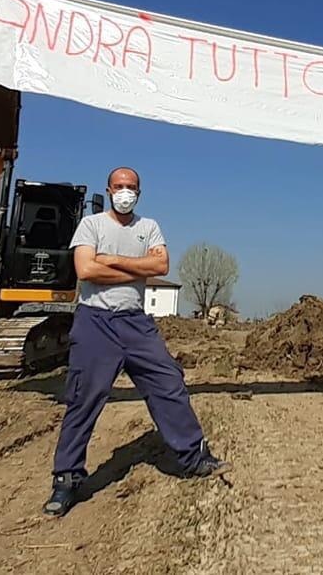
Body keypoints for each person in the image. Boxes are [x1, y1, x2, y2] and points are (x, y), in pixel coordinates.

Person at [43, 166, 230, 517]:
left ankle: (194, 457)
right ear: (109, 189)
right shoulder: (92, 225)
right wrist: (137, 266)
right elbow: (86, 270)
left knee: (169, 383)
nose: (124, 192)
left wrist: (111, 259)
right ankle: (66, 479)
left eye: (130, 187)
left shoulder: (149, 227)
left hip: (135, 322)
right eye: (119, 186)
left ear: (139, 192)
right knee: (84, 398)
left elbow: (161, 267)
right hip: (95, 321)